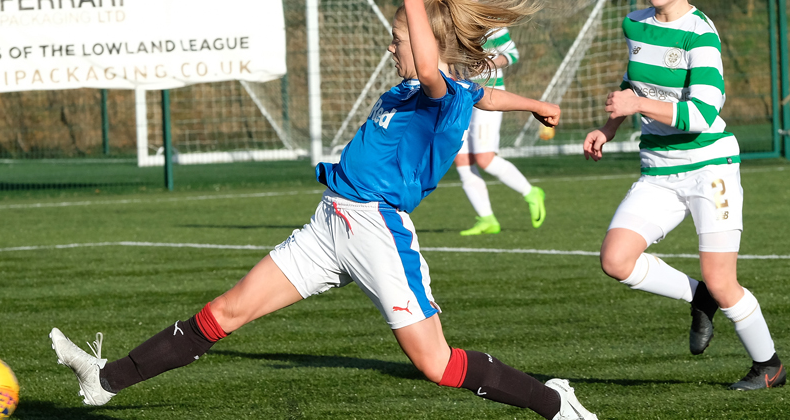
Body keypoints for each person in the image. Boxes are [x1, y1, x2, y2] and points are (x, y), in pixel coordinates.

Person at [51, 1, 597, 418]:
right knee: (225, 312)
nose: (390, 48)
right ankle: (105, 380)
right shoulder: (428, 89)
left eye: (398, 39)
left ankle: (555, 403)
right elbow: (485, 95)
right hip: (330, 221)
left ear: (426, 46)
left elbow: (447, 79)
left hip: (377, 229)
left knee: (437, 364)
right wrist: (536, 104)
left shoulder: (440, 93)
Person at [583, 0, 786, 391]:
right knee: (616, 260)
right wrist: (609, 128)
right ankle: (701, 298)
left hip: (710, 167)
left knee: (722, 280)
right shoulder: (634, 23)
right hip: (658, 170)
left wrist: (638, 104)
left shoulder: (700, 34)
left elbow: (702, 114)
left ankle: (769, 366)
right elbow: (633, 84)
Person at [455, 27, 546, 236]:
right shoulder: (450, 22)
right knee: (462, 159)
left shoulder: (491, 24)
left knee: (484, 158)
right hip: (461, 95)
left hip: (490, 94)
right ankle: (487, 218)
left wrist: (487, 65)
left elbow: (512, 53)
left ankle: (531, 192)